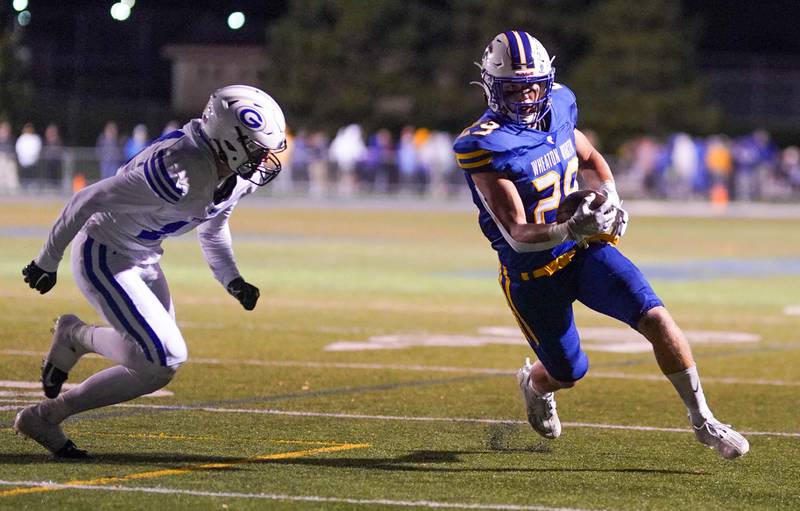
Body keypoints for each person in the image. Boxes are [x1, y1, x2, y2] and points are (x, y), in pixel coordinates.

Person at [453, 31, 748, 460]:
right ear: (493, 88)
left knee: (657, 318)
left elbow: (589, 157)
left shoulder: (558, 105)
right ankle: (535, 384)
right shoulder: (483, 143)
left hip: (584, 251)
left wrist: (611, 198)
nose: (529, 95)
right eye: (517, 87)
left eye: (535, 83)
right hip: (532, 273)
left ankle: (704, 421)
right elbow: (517, 231)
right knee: (569, 371)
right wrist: (571, 228)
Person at [15, 85, 287, 458]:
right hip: (104, 252)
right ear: (230, 141)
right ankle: (75, 338)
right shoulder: (179, 169)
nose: (265, 158)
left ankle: (45, 414)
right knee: (165, 355)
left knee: (152, 368)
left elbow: (213, 225)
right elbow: (86, 199)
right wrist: (48, 260)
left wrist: (232, 279)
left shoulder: (230, 174)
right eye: (257, 148)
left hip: (144, 257)